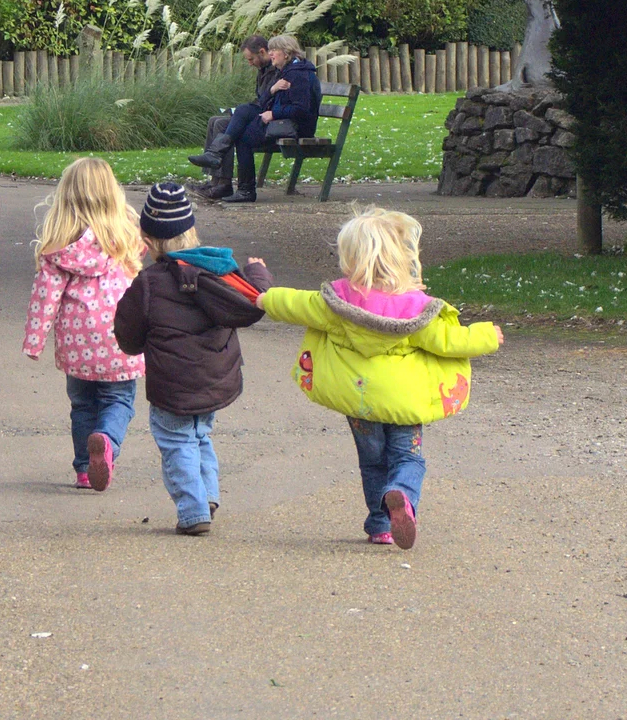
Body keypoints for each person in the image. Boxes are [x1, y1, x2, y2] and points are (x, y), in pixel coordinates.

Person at [259, 207, 503, 549]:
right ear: (399, 257)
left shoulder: (336, 302)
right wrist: (487, 335)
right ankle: (401, 493)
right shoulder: (417, 308)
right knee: (408, 459)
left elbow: (295, 303)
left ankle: (379, 525)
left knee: (372, 463)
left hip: (359, 402)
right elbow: (451, 340)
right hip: (405, 401)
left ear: (350, 259)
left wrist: (265, 297)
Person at [114, 183, 272, 535]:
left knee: (177, 441)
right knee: (200, 435)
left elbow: (129, 334)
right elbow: (253, 296)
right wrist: (259, 273)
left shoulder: (149, 283)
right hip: (215, 379)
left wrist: (136, 342)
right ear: (190, 230)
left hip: (173, 384)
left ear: (148, 238)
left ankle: (193, 509)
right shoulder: (218, 270)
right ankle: (208, 494)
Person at [23, 157, 146, 491]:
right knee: (118, 400)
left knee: (82, 405)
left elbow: (44, 299)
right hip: (121, 339)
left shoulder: (58, 248)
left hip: (77, 346)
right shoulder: (126, 239)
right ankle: (106, 442)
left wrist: (35, 340)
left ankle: (82, 469)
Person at [188, 33, 322, 204]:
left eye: (274, 50)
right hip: (281, 121)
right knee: (241, 131)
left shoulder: (298, 74)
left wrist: (274, 113)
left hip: (293, 127)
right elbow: (267, 101)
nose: (271, 53)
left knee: (242, 116)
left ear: (286, 53)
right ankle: (239, 187)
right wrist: (273, 90)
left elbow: (301, 109)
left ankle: (222, 165)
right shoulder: (286, 71)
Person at [189, 35, 278, 200]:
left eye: (251, 59)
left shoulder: (277, 70)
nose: (249, 63)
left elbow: (269, 100)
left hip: (267, 119)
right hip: (259, 113)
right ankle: (215, 181)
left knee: (222, 124)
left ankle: (223, 184)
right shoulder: (263, 70)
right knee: (214, 120)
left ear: (262, 51)